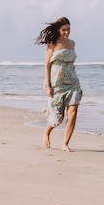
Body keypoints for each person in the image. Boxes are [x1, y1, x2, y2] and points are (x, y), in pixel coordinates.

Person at [34, 17, 83, 152]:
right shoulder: (52, 43)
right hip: (56, 83)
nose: (66, 32)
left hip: (72, 82)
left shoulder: (72, 43)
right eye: (63, 30)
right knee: (58, 118)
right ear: (58, 30)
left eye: (68, 29)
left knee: (73, 112)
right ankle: (46, 132)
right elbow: (46, 65)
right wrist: (48, 85)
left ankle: (65, 144)